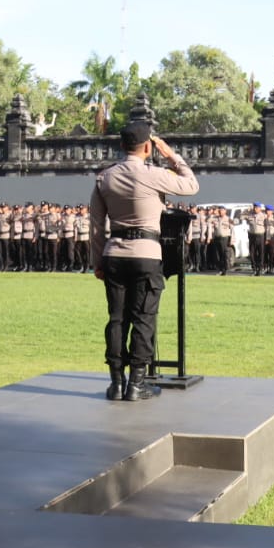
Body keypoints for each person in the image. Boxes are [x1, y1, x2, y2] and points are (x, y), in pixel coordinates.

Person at [91, 123, 199, 402]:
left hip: (114, 253)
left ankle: (117, 383)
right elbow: (191, 185)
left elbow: (96, 226)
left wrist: (97, 262)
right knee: (143, 318)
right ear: (148, 147)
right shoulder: (154, 174)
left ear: (121, 146)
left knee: (117, 318)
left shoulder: (105, 178)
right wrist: (171, 156)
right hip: (147, 253)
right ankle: (136, 384)